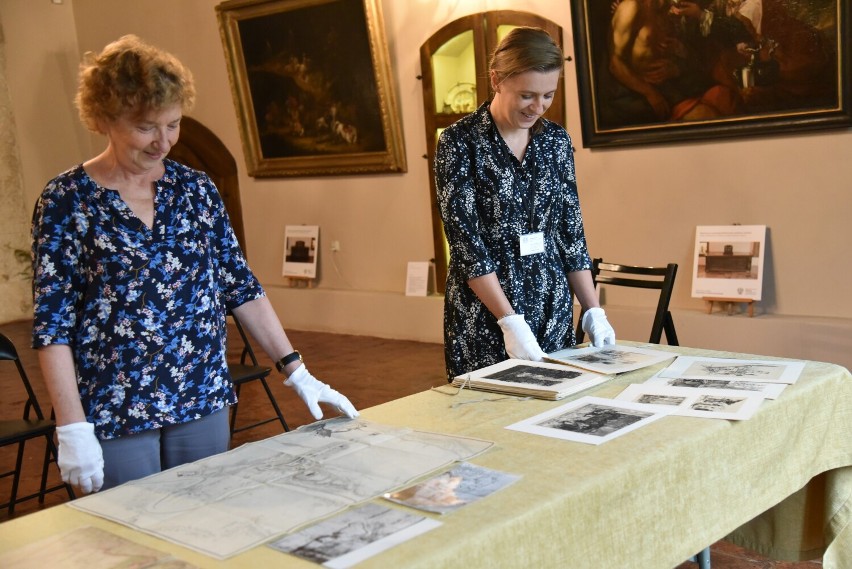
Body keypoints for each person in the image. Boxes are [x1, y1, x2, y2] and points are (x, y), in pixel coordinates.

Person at [30, 35, 358, 495]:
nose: (163, 141)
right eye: (146, 127)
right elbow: (53, 324)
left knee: (205, 519)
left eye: (174, 124)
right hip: (117, 404)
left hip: (201, 391)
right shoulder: (66, 201)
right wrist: (71, 424)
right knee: (133, 537)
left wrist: (294, 367)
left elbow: (240, 286)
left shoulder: (196, 190)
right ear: (103, 117)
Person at [434, 27, 616, 382]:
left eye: (548, 95)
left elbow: (570, 234)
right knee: (489, 418)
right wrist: (508, 320)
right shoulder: (459, 143)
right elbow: (467, 244)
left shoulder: (556, 142)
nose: (538, 107)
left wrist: (593, 309)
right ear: (496, 80)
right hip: (486, 314)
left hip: (551, 304)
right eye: (527, 95)